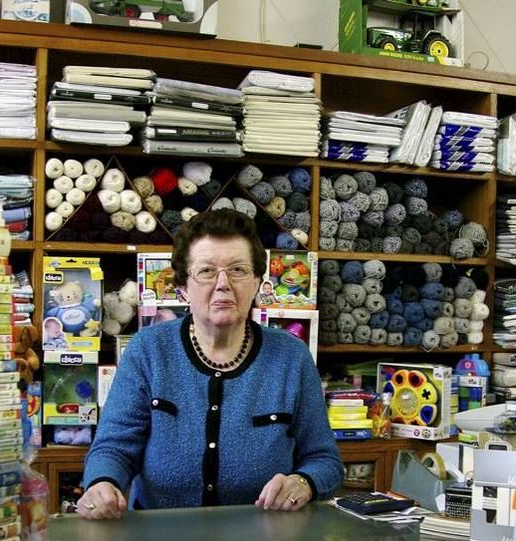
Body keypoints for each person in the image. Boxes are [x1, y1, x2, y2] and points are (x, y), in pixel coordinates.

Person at [78, 210, 342, 518]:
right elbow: (113, 447)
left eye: (239, 270)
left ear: (257, 282)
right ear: (182, 287)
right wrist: (102, 482)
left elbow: (325, 460)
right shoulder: (148, 350)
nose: (223, 284)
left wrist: (304, 482)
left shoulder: (291, 358)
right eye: (205, 271)